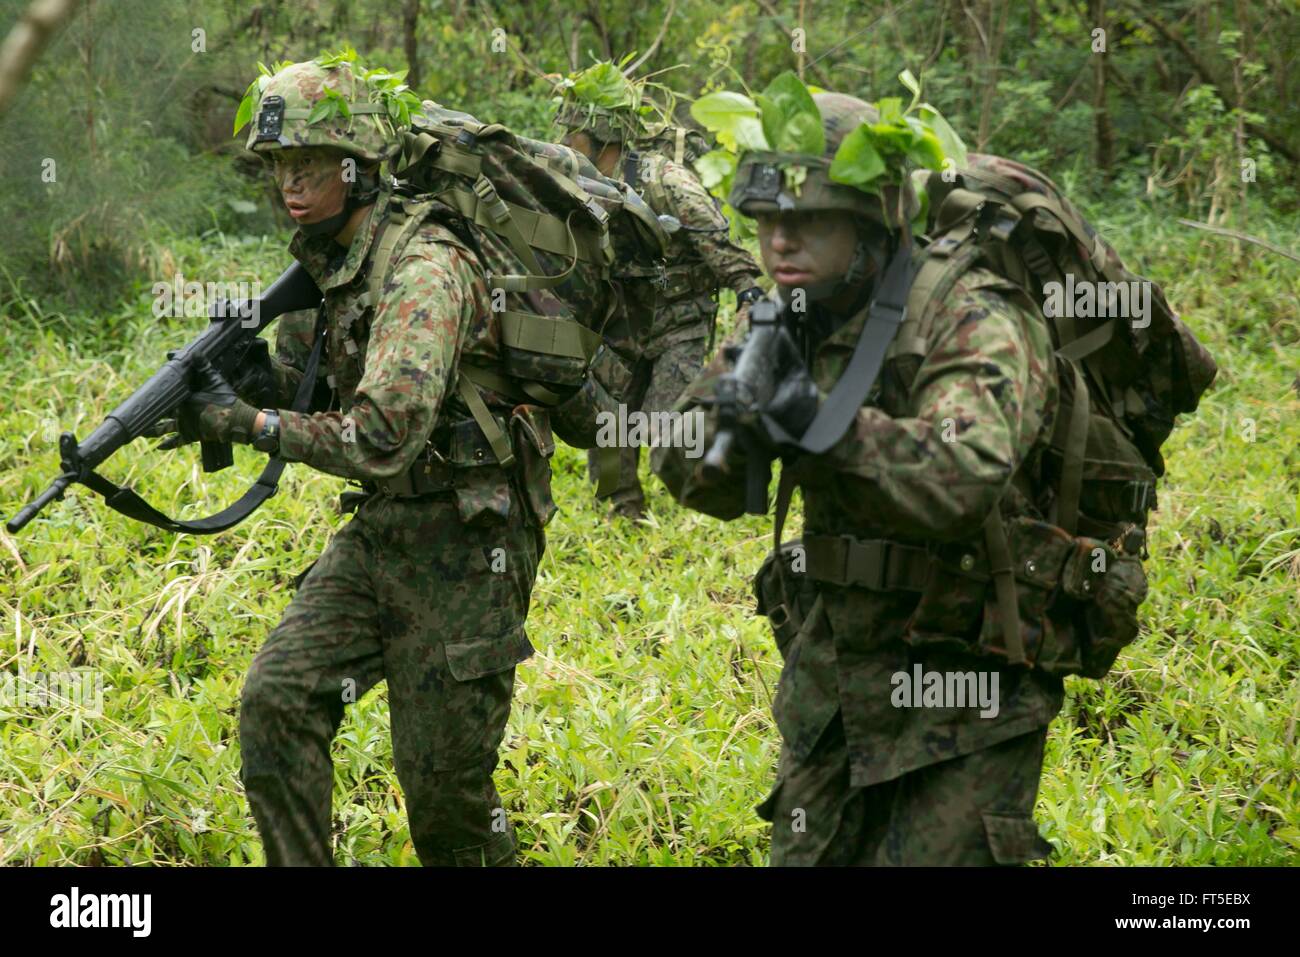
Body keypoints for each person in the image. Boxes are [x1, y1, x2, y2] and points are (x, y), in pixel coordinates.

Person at [161, 53, 580, 866]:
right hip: (384, 531)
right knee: (277, 701)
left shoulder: (425, 267)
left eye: (310, 163)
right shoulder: (326, 261)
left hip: (469, 540)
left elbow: (382, 434)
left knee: (447, 804)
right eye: (280, 164)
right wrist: (246, 387)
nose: (290, 181)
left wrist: (250, 421)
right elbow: (323, 398)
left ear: (359, 166)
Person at [653, 91, 1066, 865]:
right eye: (767, 221)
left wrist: (819, 421)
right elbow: (688, 474)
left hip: (965, 685)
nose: (780, 242)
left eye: (806, 220)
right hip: (834, 686)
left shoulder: (965, 307)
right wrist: (731, 424)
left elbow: (966, 474)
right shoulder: (785, 313)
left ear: (872, 221)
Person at [555, 65, 762, 520]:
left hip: (679, 318)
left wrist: (747, 289)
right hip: (622, 320)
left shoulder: (663, 178)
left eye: (575, 134)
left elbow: (713, 235)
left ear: (603, 136)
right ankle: (621, 508)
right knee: (609, 418)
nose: (567, 142)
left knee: (668, 421)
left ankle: (700, 496)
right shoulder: (576, 179)